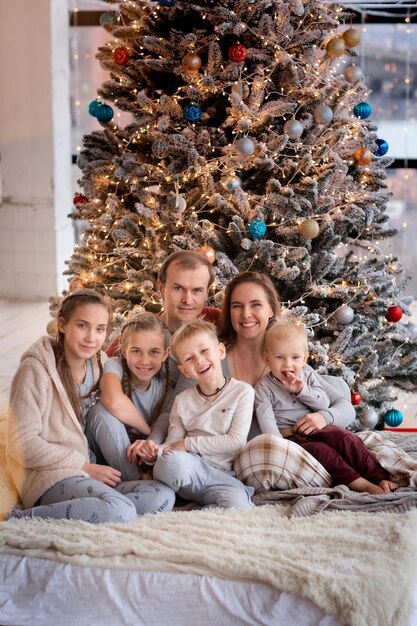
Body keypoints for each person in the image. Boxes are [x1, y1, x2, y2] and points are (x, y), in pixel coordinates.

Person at [6, 289, 174, 523]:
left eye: (100, 329)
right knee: (120, 511)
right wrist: (82, 465)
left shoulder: (99, 364)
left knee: (163, 495)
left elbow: (107, 414)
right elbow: (21, 444)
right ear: (62, 325)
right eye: (82, 326)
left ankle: (104, 504)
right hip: (53, 475)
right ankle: (17, 519)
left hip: (91, 468)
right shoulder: (35, 370)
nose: (91, 338)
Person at [218, 271, 354, 491]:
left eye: (256, 305)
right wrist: (285, 433)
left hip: (303, 452)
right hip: (251, 458)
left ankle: (344, 477)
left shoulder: (290, 363)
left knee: (348, 444)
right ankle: (340, 478)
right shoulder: (216, 361)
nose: (246, 314)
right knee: (263, 460)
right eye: (237, 306)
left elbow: (346, 408)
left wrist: (322, 417)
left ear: (272, 309)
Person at [255, 321, 398, 494]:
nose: (288, 364)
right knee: (324, 453)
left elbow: (323, 404)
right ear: (267, 358)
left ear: (304, 358)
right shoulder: (263, 388)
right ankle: (363, 485)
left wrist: (301, 390)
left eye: (295, 357)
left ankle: (379, 476)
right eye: (279, 357)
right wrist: (283, 444)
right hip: (292, 439)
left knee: (344, 436)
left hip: (318, 429)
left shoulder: (307, 376)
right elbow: (268, 424)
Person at [151, 319, 255, 509]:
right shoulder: (182, 401)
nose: (199, 360)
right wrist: (156, 453)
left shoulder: (242, 392)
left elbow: (236, 440)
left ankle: (192, 509)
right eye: (189, 358)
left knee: (239, 505)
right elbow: (173, 443)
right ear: (185, 371)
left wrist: (187, 444)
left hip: (222, 475)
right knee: (168, 464)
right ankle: (185, 499)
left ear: (221, 352)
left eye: (204, 351)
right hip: (190, 469)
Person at [87, 312, 175, 482]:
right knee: (99, 412)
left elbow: (163, 425)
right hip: (103, 451)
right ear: (125, 350)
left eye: (154, 352)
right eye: (136, 351)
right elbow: (113, 401)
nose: (144, 360)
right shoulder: (114, 365)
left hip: (141, 457)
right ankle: (139, 483)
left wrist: (148, 442)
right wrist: (147, 430)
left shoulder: (166, 388)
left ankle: (143, 484)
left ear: (165, 354)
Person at [105, 249, 220, 357]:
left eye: (197, 290)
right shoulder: (137, 333)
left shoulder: (221, 321)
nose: (188, 300)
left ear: (207, 292)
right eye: (178, 289)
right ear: (161, 289)